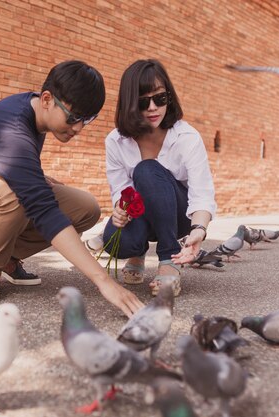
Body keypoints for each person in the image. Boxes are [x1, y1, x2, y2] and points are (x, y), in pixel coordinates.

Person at [0, 60, 144, 317]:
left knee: (86, 208)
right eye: (73, 117)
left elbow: (5, 165)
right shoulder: (12, 129)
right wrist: (105, 282)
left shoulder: (34, 112)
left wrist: (36, 177)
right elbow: (43, 210)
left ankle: (7, 256)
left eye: (87, 119)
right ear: (48, 99)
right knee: (15, 191)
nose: (78, 128)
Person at [101, 59, 217, 295]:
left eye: (160, 98)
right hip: (141, 211)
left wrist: (199, 229)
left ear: (169, 97)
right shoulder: (116, 140)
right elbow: (120, 189)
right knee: (116, 241)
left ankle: (168, 260)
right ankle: (137, 251)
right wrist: (120, 209)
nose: (153, 107)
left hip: (178, 216)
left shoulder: (186, 136)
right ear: (129, 103)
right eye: (144, 101)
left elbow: (202, 193)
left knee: (146, 169)